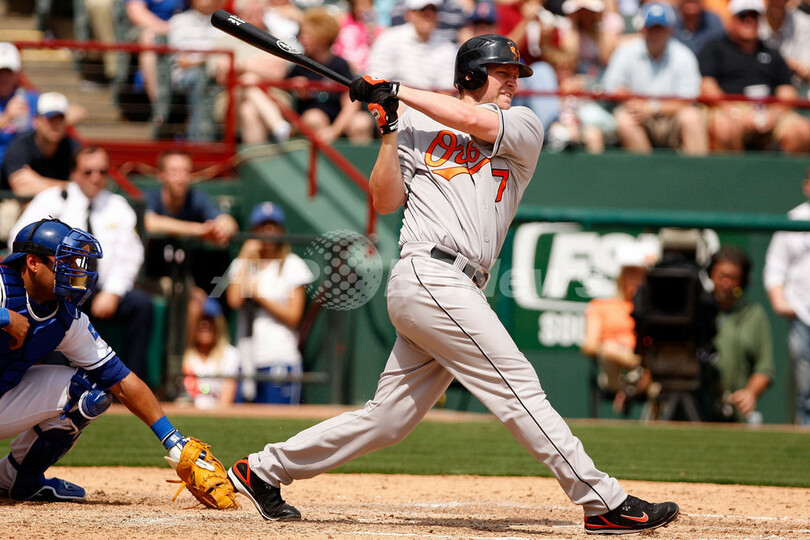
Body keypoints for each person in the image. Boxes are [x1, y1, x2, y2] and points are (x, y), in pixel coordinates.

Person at [225, 34, 679, 534]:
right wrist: (390, 129)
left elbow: (472, 120)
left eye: (515, 74)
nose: (512, 82)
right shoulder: (415, 122)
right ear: (470, 76)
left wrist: (398, 90)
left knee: (388, 419)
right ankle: (603, 501)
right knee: (519, 387)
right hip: (428, 273)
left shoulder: (523, 124)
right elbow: (383, 200)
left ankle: (261, 470)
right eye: (502, 73)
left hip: (458, 284)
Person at [0, 218, 204, 501]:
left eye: (75, 262)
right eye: (64, 261)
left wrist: (173, 441)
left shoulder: (66, 319)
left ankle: (17, 478)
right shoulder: (3, 285)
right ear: (33, 263)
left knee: (89, 392)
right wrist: (4, 317)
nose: (74, 270)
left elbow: (122, 380)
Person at [8, 147, 154, 382]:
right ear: (74, 173)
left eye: (102, 172)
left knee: (141, 306)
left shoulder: (118, 205)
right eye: (88, 172)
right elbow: (19, 239)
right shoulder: (52, 199)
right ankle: (55, 385)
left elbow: (131, 255)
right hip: (59, 290)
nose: (95, 178)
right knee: (53, 312)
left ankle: (128, 383)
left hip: (101, 289)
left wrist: (114, 292)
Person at [225, 202, 314, 405]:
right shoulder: (243, 263)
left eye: (272, 226)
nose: (268, 231)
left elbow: (294, 316)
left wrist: (260, 296)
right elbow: (234, 300)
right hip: (247, 359)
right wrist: (245, 256)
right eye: (262, 226)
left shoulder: (292, 264)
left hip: (279, 357)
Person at [697, 0, 810, 154]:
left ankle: (780, 170)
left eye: (754, 16)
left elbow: (787, 92)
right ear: (732, 19)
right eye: (743, 16)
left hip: (769, 109)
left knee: (801, 131)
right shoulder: (715, 48)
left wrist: (774, 114)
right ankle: (732, 170)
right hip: (730, 109)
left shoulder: (771, 52)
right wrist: (735, 113)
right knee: (724, 129)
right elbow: (707, 88)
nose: (749, 21)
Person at [601, 2, 709, 155]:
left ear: (670, 29)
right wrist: (633, 101)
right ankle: (645, 170)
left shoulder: (683, 55)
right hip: (638, 114)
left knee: (692, 117)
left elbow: (688, 98)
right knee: (625, 119)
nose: (655, 33)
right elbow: (611, 87)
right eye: (651, 28)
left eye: (660, 28)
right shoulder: (626, 51)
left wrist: (652, 108)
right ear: (643, 29)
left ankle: (697, 169)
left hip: (672, 117)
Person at [142, 148, 238, 293]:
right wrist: (199, 230)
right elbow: (149, 223)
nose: (180, 178)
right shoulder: (150, 197)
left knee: (198, 299)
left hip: (186, 278)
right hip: (149, 278)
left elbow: (227, 222)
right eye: (174, 172)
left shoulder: (197, 198)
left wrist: (220, 230)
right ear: (161, 175)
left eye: (185, 171)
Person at [207, 0, 293, 144]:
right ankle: (278, 126)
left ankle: (257, 157)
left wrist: (239, 66)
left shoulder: (277, 39)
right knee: (249, 79)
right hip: (232, 97)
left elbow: (278, 73)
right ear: (239, 16)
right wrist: (253, 66)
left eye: (260, 13)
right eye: (251, 13)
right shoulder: (224, 41)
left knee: (248, 110)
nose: (256, 17)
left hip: (274, 94)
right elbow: (221, 77)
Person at [286, 8, 376, 144]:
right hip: (313, 119)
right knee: (314, 118)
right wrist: (297, 89)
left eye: (306, 34)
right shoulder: (299, 66)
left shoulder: (340, 65)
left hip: (339, 120)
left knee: (361, 122)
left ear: (322, 38)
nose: (301, 38)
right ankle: (322, 158)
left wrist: (335, 130)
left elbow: (351, 102)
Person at [764, 166, 810, 425]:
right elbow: (776, 266)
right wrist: (779, 302)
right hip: (803, 316)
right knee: (807, 392)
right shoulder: (794, 219)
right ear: (806, 186)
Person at [706, 246, 774, 423]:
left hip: (734, 415)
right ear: (711, 275)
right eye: (721, 276)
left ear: (743, 281)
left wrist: (750, 393)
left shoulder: (754, 315)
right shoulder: (697, 311)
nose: (726, 283)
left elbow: (764, 368)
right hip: (698, 408)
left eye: (733, 278)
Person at [581, 242, 651, 414]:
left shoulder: (652, 310)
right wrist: (624, 355)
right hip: (614, 370)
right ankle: (630, 386)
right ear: (621, 277)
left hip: (647, 367)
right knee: (610, 350)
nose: (635, 280)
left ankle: (631, 387)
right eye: (630, 274)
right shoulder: (600, 306)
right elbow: (589, 345)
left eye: (639, 275)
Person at [166, 0, 227, 141]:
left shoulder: (223, 22)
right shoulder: (179, 21)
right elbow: (182, 60)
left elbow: (224, 55)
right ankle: (199, 140)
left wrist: (206, 60)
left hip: (216, 74)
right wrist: (207, 59)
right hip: (185, 76)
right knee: (200, 76)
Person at [367, 0, 458, 92]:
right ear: (409, 14)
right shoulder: (388, 39)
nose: (429, 15)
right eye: (422, 10)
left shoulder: (447, 47)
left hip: (430, 99)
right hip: (394, 98)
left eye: (433, 10)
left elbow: (447, 89)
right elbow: (376, 80)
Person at [1, 92, 80, 197]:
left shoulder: (73, 147)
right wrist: (67, 187)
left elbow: (85, 186)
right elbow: (21, 187)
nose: (55, 124)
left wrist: (39, 182)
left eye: (60, 119)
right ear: (36, 121)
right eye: (50, 119)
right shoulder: (20, 145)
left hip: (62, 202)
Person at [123, 0, 189, 107]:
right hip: (152, 30)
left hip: (185, 30)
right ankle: (159, 105)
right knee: (149, 38)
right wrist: (168, 29)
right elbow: (136, 13)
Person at [181, 297, 239, 409]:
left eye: (210, 320)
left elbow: (225, 403)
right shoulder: (182, 354)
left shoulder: (230, 354)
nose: (204, 324)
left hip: (216, 414)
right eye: (200, 319)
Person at [758, 0, 810, 100]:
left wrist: (784, 65)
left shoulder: (804, 23)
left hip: (798, 92)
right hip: (763, 91)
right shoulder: (753, 20)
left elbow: (808, 72)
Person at [0, 43, 37, 168]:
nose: (3, 77)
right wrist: (7, 118)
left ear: (16, 74)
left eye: (8, 72)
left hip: (22, 167)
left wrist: (46, 125)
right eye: (0, 72)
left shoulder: (29, 98)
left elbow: (76, 112)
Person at [333, 0, 384, 75]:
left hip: (366, 69)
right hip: (347, 66)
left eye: (367, 5)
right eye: (360, 5)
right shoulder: (344, 21)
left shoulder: (374, 27)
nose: (363, 8)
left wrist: (371, 31)